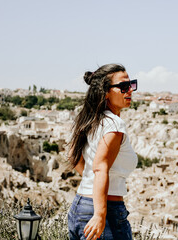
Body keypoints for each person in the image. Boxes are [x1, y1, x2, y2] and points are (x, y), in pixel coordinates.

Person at [67, 64, 138, 240]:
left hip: (79, 207)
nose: (129, 91)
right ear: (105, 91)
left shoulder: (90, 120)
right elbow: (100, 167)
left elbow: (73, 156)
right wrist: (100, 215)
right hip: (106, 212)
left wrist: (91, 180)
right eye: (123, 87)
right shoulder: (114, 125)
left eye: (131, 85)